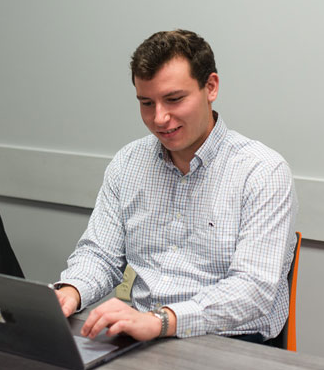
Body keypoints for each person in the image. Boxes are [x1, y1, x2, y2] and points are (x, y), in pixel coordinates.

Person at [54, 29, 298, 343]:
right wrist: (72, 291)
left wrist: (161, 321)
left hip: (228, 340)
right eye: (146, 103)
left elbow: (251, 291)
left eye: (174, 99)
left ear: (211, 87)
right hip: (143, 334)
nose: (159, 118)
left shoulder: (262, 172)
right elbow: (101, 255)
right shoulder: (128, 163)